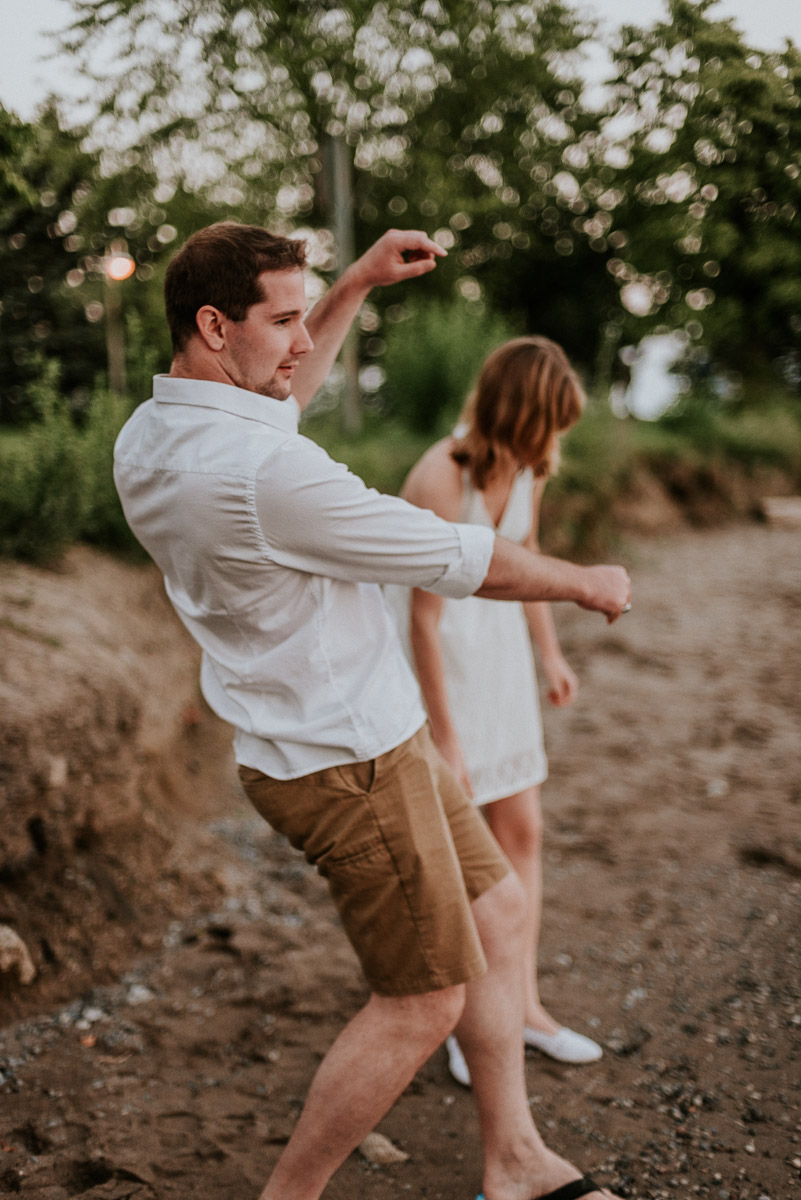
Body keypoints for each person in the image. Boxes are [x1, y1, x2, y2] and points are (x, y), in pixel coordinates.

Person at [113, 220, 631, 1200]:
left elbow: (275, 409)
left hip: (363, 728)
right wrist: (583, 580)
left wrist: (349, 284)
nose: (304, 342)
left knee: (499, 904)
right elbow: (452, 554)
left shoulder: (156, 432)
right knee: (421, 999)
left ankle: (515, 1158)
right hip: (347, 758)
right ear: (214, 325)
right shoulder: (264, 476)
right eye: (285, 320)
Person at [393, 336, 603, 1090]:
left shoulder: (528, 468)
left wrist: (549, 654)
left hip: (503, 662)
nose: (554, 440)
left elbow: (528, 560)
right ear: (519, 411)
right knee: (461, 862)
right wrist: (445, 735)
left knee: (524, 832)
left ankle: (525, 1005)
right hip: (444, 668)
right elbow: (420, 618)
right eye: (548, 421)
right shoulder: (439, 475)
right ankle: (462, 1022)